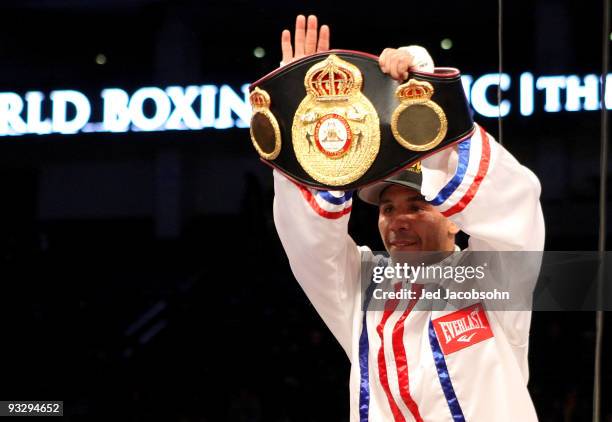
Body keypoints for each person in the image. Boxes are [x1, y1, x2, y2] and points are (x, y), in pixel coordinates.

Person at [273, 15, 545, 421]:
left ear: (456, 219)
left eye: (417, 206)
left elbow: (514, 206)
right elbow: (311, 246)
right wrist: (304, 122)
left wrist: (422, 90)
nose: (398, 221)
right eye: (387, 209)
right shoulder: (362, 292)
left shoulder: (492, 279)